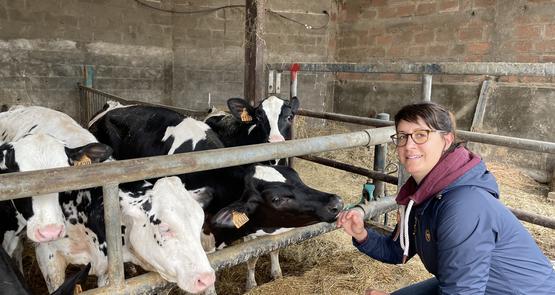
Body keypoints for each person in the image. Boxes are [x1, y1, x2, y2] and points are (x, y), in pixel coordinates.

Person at [336, 102, 555, 295]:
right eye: (402, 136)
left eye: (421, 135)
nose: (409, 145)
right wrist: (362, 234)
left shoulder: (464, 205)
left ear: (446, 140)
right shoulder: (422, 193)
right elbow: (397, 251)